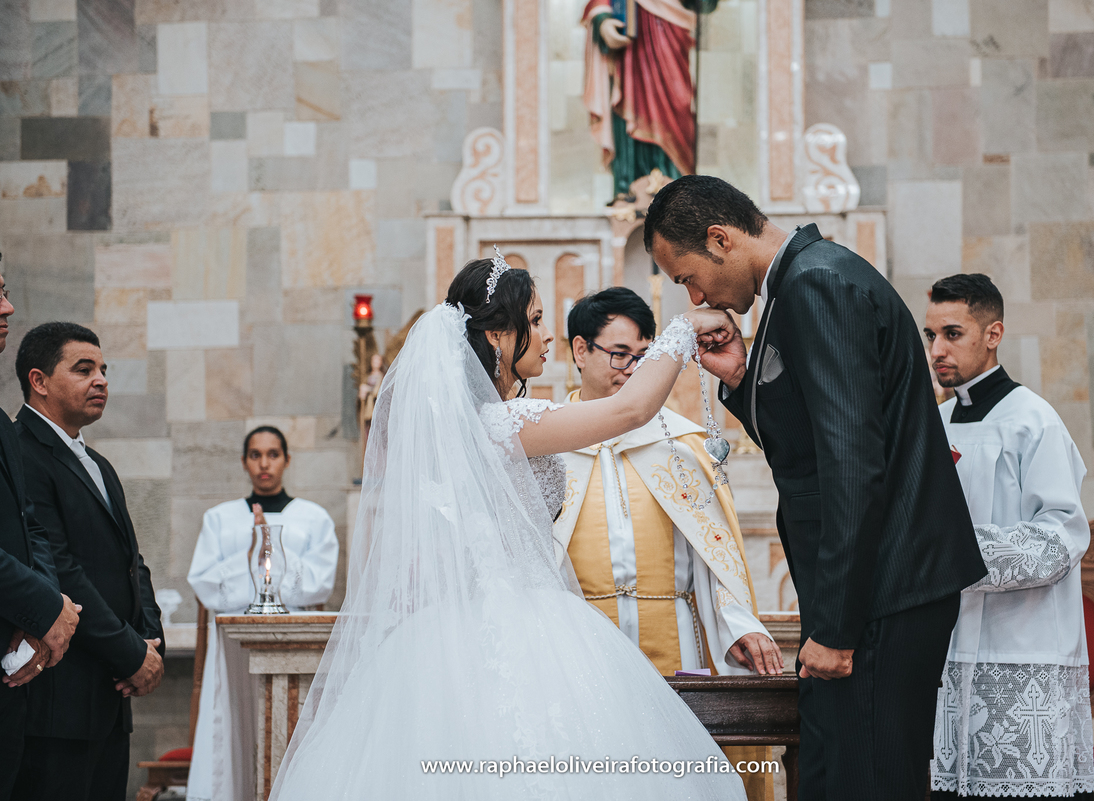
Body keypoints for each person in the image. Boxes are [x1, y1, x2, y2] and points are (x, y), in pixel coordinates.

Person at [268, 253, 749, 799]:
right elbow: (629, 412)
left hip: (463, 627)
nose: (548, 336)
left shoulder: (469, 428)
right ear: (498, 335)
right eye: (537, 320)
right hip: (521, 626)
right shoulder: (499, 425)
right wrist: (683, 330)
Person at [643, 174, 988, 800]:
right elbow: (813, 439)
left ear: (720, 239)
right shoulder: (800, 283)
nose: (695, 295)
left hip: (885, 587)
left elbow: (852, 463)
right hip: (875, 587)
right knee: (837, 777)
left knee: (868, 780)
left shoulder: (816, 284)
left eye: (687, 275)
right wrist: (745, 378)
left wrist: (832, 629)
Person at [558, 288, 781, 799]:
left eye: (644, 356)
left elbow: (715, 554)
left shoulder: (678, 444)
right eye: (619, 354)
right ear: (579, 351)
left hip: (676, 647)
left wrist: (740, 625)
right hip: (582, 652)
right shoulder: (551, 445)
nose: (633, 369)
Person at [924, 274, 1094, 800]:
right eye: (930, 336)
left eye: (953, 333)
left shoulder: (1033, 422)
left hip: (1021, 648)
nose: (937, 350)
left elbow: (1060, 537)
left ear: (993, 333)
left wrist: (948, 553)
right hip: (946, 646)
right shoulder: (936, 421)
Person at [12, 322, 165, 801]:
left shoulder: (98, 463)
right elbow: (59, 568)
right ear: (38, 380)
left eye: (103, 370)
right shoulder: (20, 453)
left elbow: (130, 561)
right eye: (83, 369)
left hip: (109, 695)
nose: (100, 380)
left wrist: (150, 637)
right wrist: (131, 653)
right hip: (58, 699)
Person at [186, 426, 339, 801]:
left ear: (286, 459)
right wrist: (253, 549)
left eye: (273, 454)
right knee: (233, 725)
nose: (264, 463)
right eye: (255, 455)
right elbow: (204, 583)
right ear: (244, 462)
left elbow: (320, 583)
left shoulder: (313, 517)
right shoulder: (219, 518)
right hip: (232, 646)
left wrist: (272, 544)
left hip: (293, 640)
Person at [0, 272, 81, 801]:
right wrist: (45, 607)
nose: (8, 307)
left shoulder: (1, 426)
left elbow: (29, 525)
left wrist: (47, 608)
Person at [581, 0, 715, 198]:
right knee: (630, 104)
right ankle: (629, 189)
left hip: (672, 28)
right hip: (629, 41)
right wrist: (603, 20)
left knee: (677, 105)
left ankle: (678, 189)